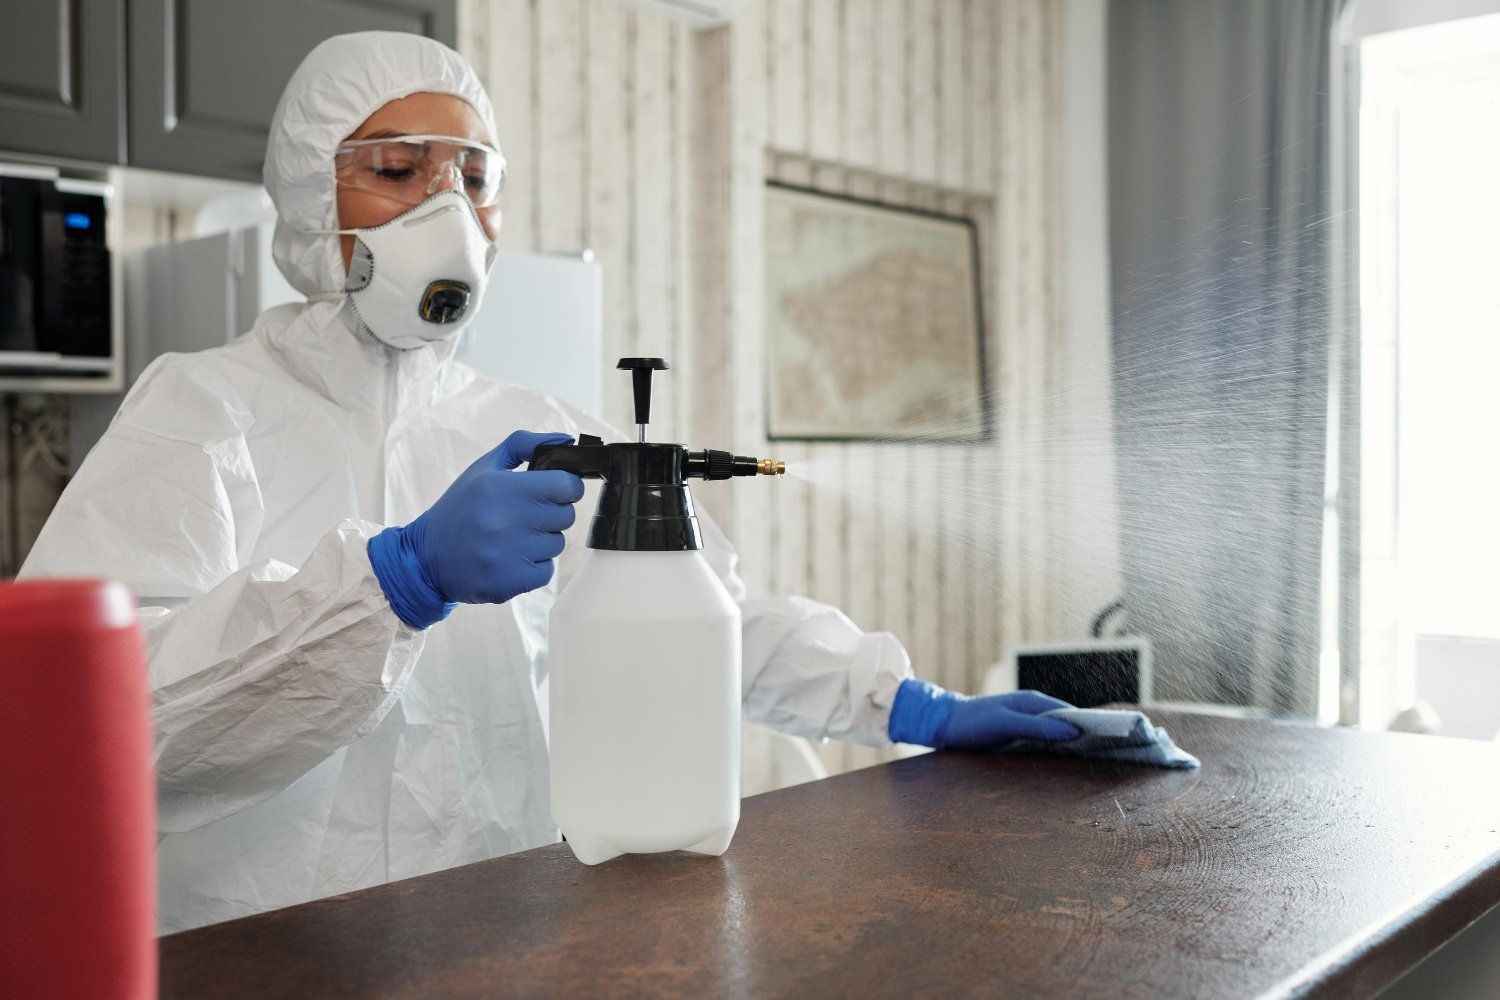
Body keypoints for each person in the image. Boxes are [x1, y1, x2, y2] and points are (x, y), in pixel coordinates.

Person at [20, 32, 1077, 933]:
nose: (447, 210)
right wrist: (394, 580)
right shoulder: (203, 415)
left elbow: (707, 620)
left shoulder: (531, 429)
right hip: (261, 951)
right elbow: (92, 722)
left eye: (473, 180)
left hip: (500, 934)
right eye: (396, 171)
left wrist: (913, 703)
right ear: (312, 194)